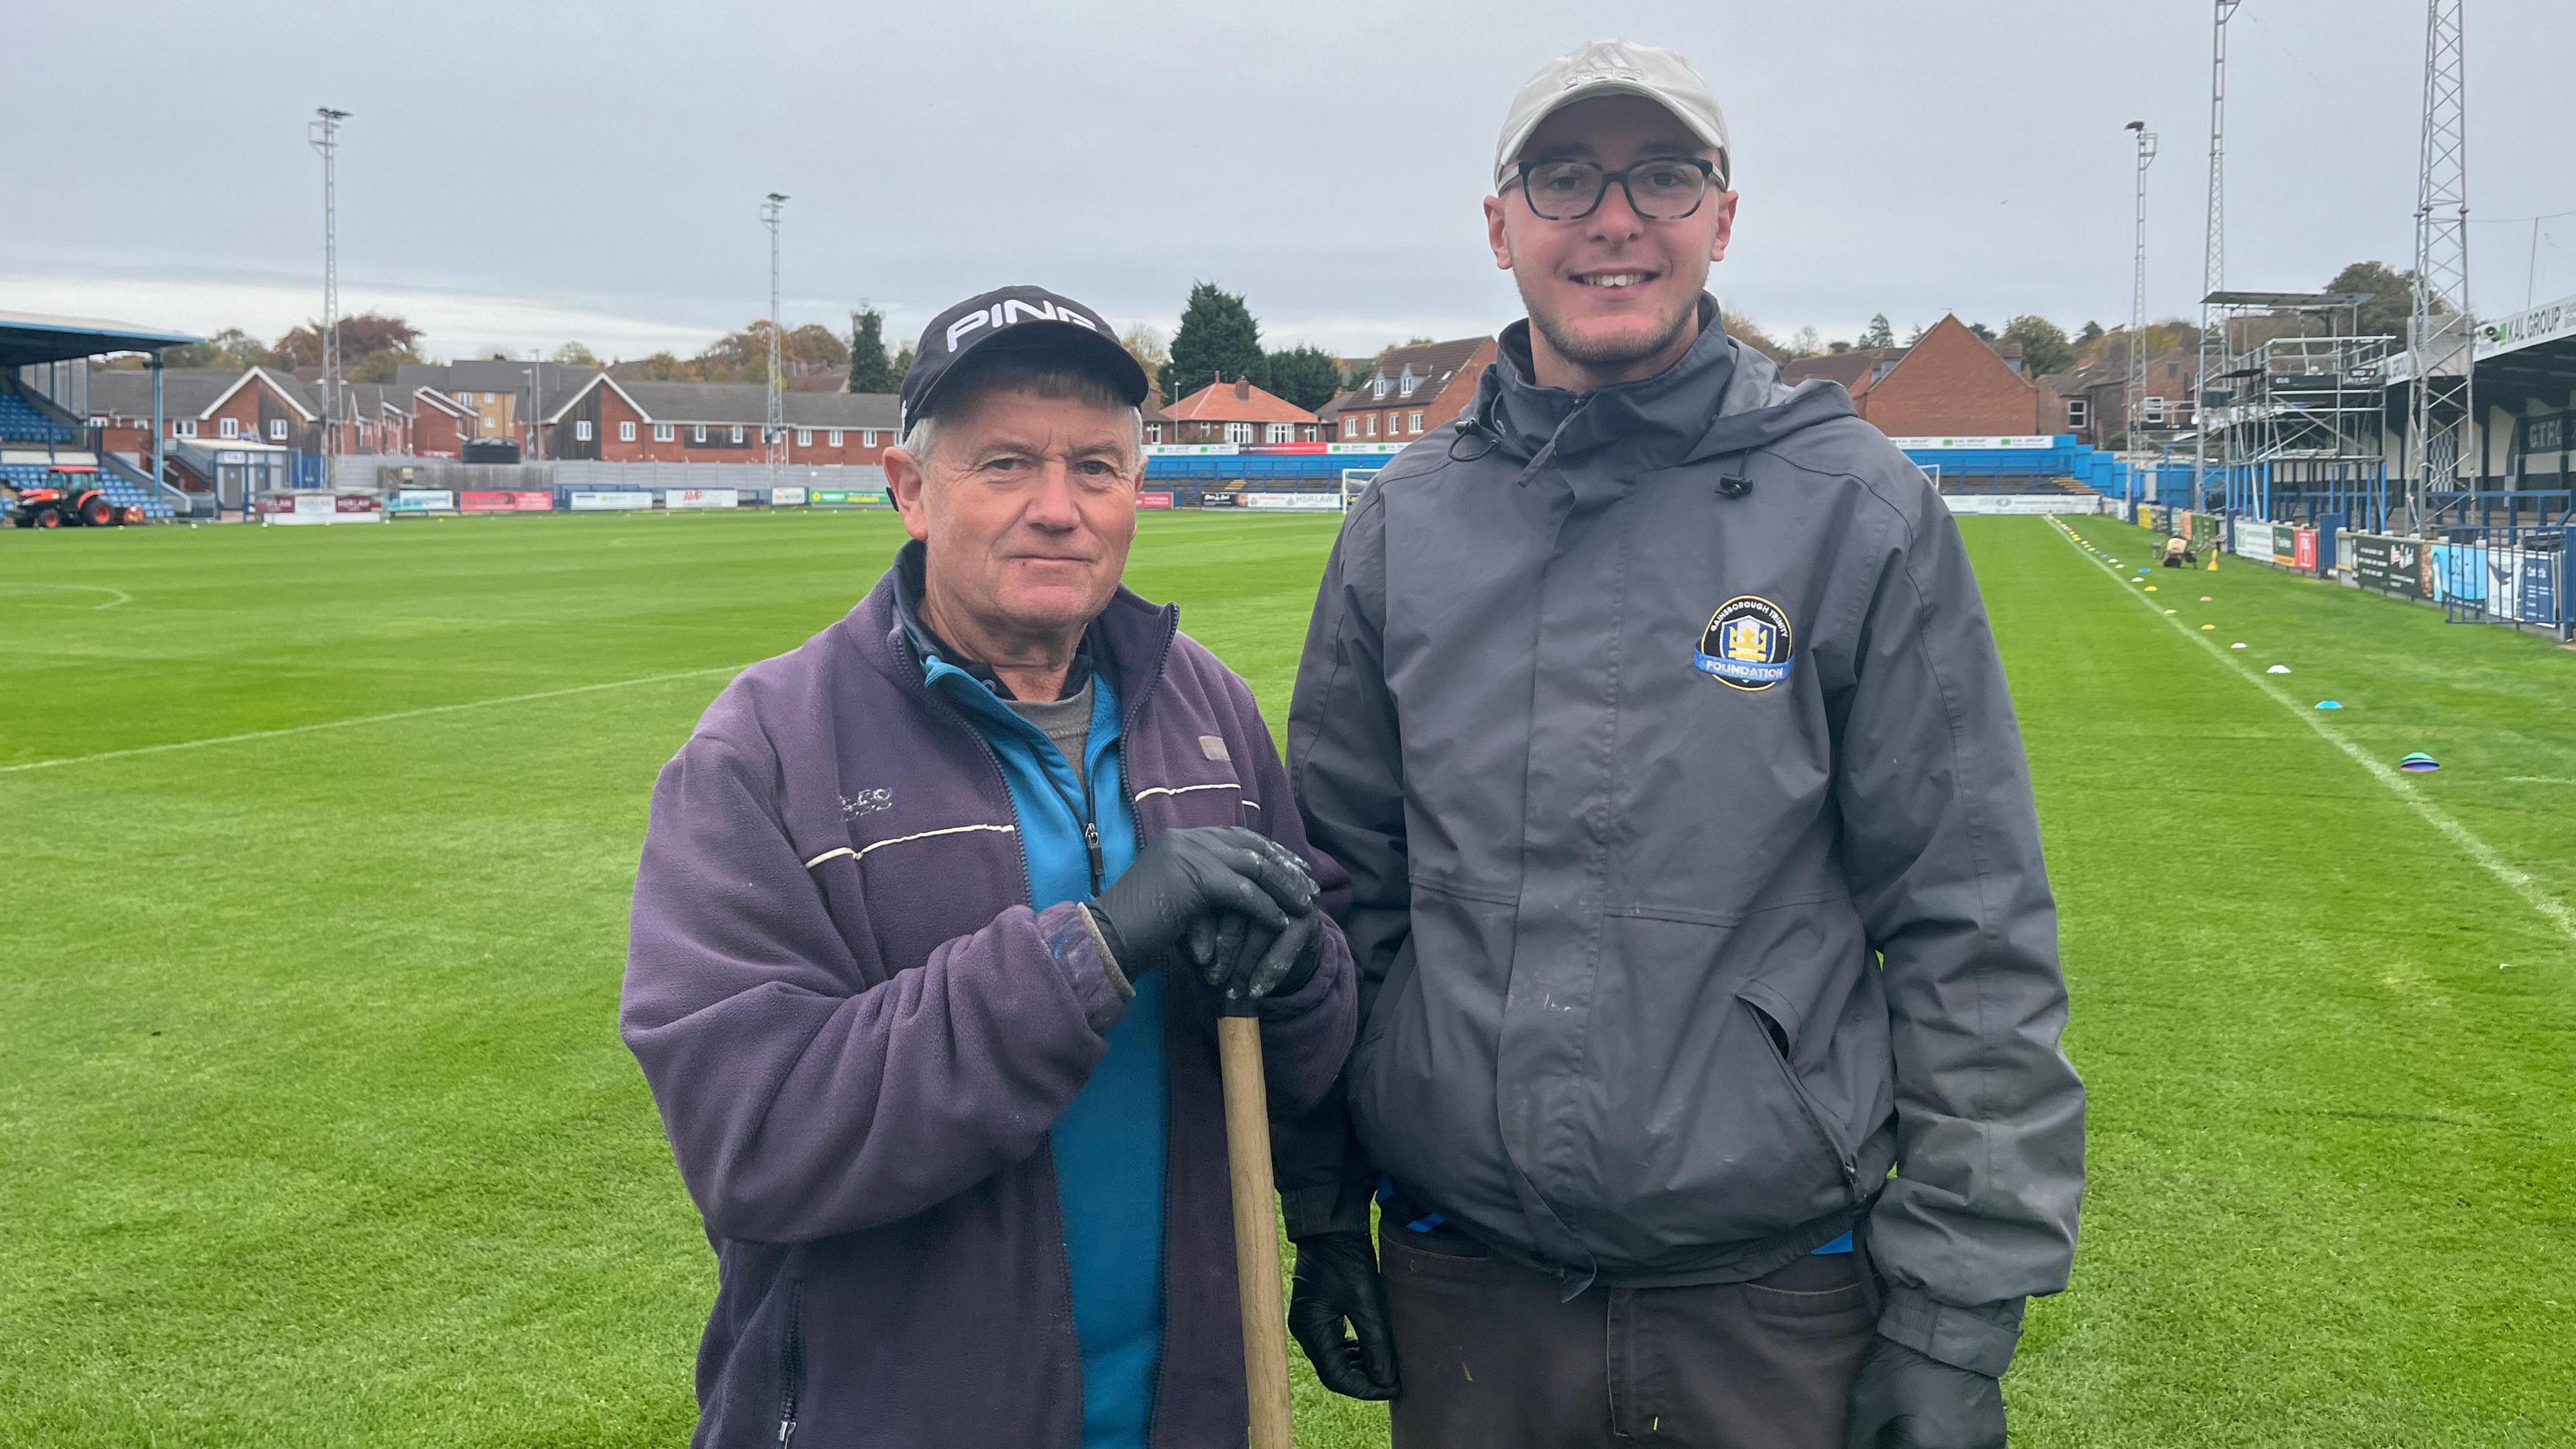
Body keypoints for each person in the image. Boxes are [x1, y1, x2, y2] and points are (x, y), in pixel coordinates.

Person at [1275, 41, 2085, 1449]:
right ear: (1501, 225)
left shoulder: (1860, 512)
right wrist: (1325, 1202)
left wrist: (1957, 1322)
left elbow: (1970, 926)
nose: (1613, 217)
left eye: (1661, 175)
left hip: (1772, 1308)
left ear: (1721, 215)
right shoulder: (1400, 525)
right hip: (1470, 1298)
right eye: (1563, 178)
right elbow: (1346, 900)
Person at [622, 284, 1358, 1449]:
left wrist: (1300, 965)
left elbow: (1309, 1055)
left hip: (1189, 1414)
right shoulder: (762, 750)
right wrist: (1096, 950)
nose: (1058, 510)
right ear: (910, 490)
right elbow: (752, 1139)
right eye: (1006, 464)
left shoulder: (1202, 703)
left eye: (1097, 469)